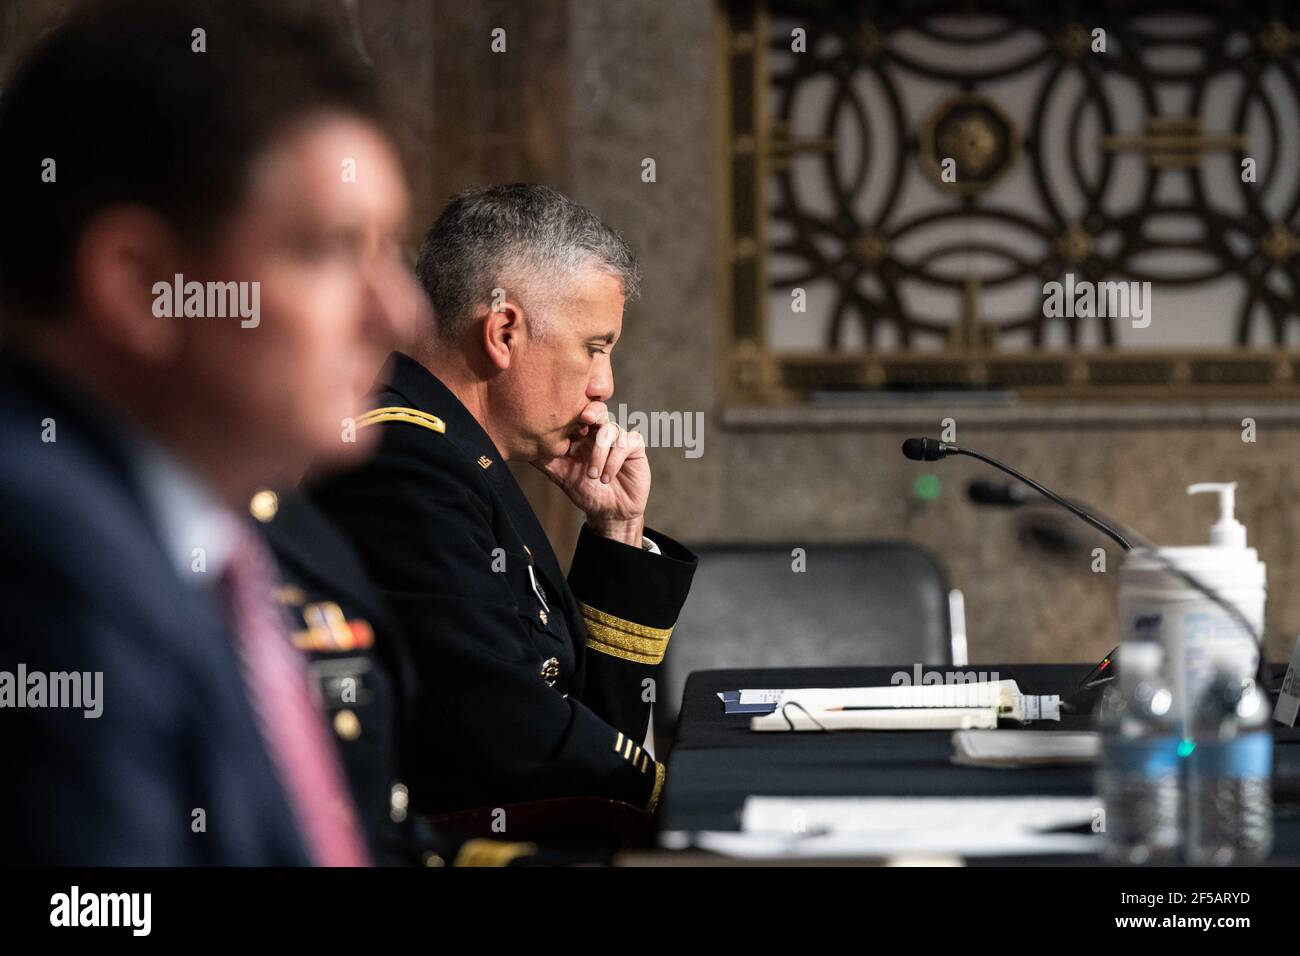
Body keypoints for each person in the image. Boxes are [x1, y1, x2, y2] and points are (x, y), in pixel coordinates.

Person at [0, 0, 419, 864]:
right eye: (331, 251)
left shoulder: (172, 525)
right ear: (142, 286)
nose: (399, 313)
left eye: (392, 252)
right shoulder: (43, 564)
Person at [313, 184, 698, 818]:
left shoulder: (455, 457)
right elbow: (511, 735)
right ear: (504, 332)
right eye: (595, 348)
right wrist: (670, 795)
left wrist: (618, 530)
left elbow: (588, 719)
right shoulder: (403, 465)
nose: (605, 384)